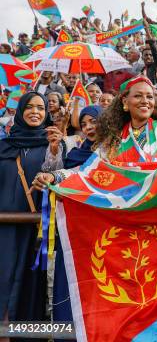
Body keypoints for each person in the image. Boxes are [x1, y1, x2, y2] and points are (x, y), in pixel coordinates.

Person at [32, 105, 102, 323]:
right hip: (73, 231)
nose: (88, 127)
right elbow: (71, 174)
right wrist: (52, 171)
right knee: (70, 284)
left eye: (93, 121)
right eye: (83, 124)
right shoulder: (75, 154)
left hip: (102, 232)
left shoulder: (116, 151)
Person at [0, 92, 52, 325]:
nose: (35, 112)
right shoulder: (3, 147)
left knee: (30, 285)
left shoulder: (52, 147)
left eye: (41, 108)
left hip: (37, 231)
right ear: (20, 112)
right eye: (29, 107)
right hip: (4, 230)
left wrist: (56, 151)